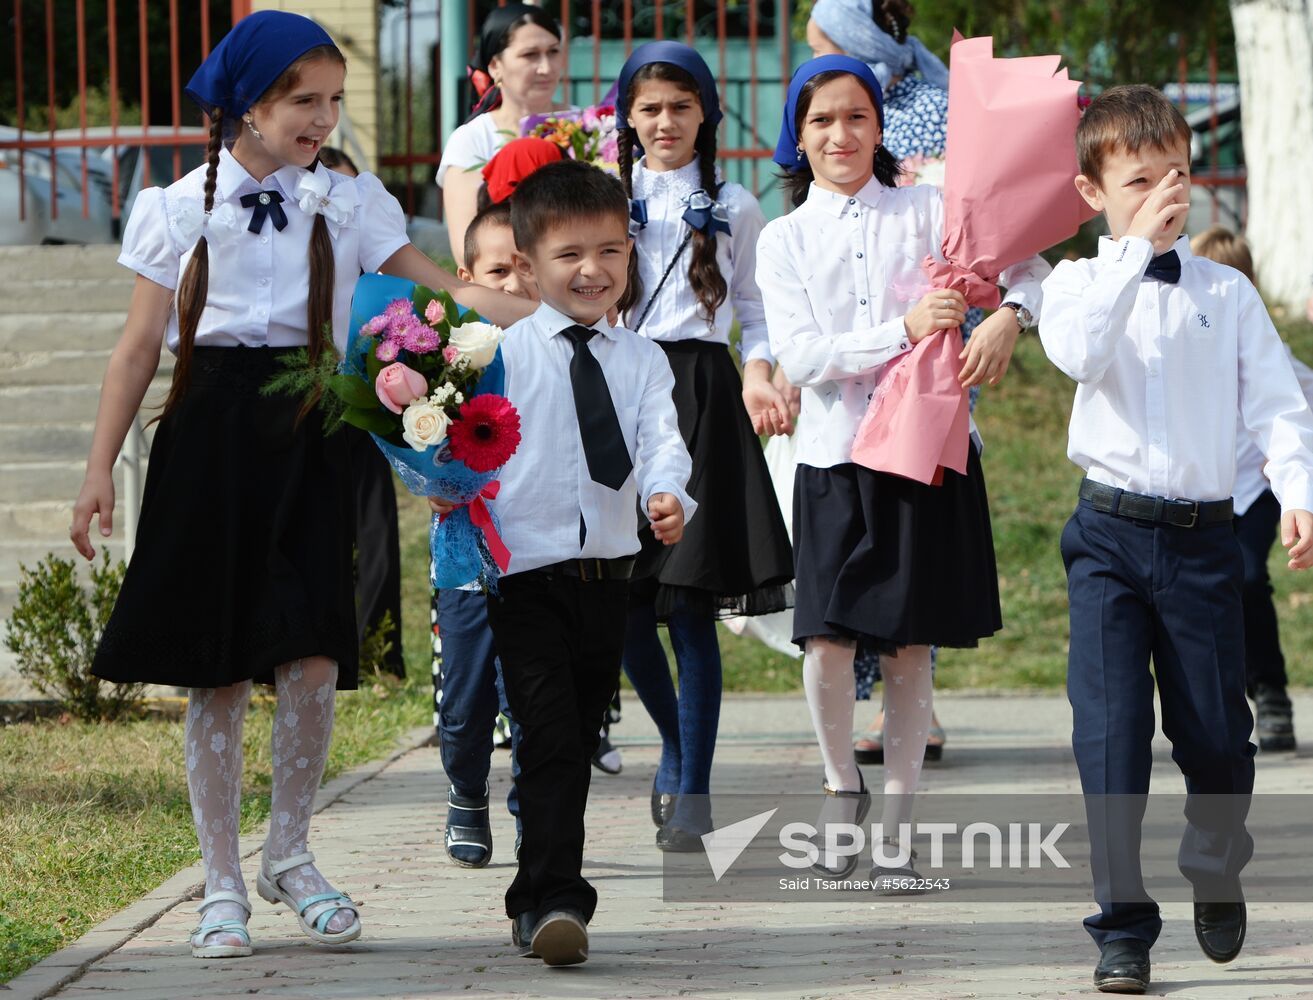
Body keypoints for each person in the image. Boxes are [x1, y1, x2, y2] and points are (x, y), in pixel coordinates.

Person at [69, 11, 533, 960]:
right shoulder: (171, 209)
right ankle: (222, 881)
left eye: (333, 101)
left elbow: (434, 287)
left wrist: (543, 305)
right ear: (246, 104)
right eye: (302, 102)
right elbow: (133, 351)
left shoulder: (348, 204)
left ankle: (291, 852)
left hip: (313, 429)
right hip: (210, 435)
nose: (323, 119)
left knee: (314, 652)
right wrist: (95, 472)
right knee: (221, 667)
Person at [1039, 85, 1313, 994]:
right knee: (1108, 741)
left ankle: (1214, 858)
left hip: (1204, 544)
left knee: (1219, 744)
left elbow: (1278, 405)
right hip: (1108, 538)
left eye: (1180, 175)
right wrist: (1129, 256)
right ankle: (1120, 928)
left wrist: (1297, 492)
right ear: (1092, 191)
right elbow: (1077, 352)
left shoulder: (1225, 293)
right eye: (1141, 178)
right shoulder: (1077, 284)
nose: (1167, 194)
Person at [757, 55, 1047, 888]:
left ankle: (899, 817)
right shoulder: (784, 239)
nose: (839, 134)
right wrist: (903, 328)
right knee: (825, 634)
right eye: (820, 121)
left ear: (879, 126)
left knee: (912, 643)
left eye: (855, 117)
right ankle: (841, 784)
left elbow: (1028, 265)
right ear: (798, 136)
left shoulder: (931, 208)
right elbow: (804, 356)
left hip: (925, 451)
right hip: (833, 456)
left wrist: (1008, 322)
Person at [428, 159, 694, 966]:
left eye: (611, 252)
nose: (592, 270)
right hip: (526, 577)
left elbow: (661, 444)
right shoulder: (499, 355)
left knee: (573, 737)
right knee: (545, 735)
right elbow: (456, 445)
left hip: (609, 580)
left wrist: (668, 495)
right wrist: (443, 481)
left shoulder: (643, 359)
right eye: (570, 254)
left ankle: (533, 894)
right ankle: (555, 900)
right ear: (531, 264)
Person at [612, 41, 795, 850]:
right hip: (615, 393)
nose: (664, 122)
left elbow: (753, 307)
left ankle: (694, 788)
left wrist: (756, 369)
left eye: (680, 107)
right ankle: (676, 742)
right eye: (650, 107)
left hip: (700, 394)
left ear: (706, 116)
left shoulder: (739, 206)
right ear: (626, 114)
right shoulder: (601, 197)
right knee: (623, 603)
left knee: (687, 603)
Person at [432, 199, 535, 870]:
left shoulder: (563, 343)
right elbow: (419, 436)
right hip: (466, 553)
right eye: (497, 270)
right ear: (467, 276)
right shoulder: (444, 358)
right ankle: (466, 793)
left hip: (543, 551)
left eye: (526, 266)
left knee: (534, 694)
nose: (513, 284)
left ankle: (536, 811)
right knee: (467, 699)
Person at [1193, 225, 1305, 753]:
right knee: (1204, 593)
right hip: (1201, 494)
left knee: (1251, 576)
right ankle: (1223, 694)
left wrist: (1285, 464)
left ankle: (1273, 692)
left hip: (1254, 493)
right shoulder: (1184, 341)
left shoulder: (1271, 350)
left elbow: (1297, 408)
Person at [318, 145, 405, 677]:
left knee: (375, 530)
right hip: (307, 393)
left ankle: (377, 653)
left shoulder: (375, 250)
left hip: (367, 394)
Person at [437, 4, 567, 267]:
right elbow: (467, 250)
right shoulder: (472, 139)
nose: (546, 67)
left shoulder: (589, 127)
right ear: (495, 65)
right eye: (530, 55)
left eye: (553, 52)